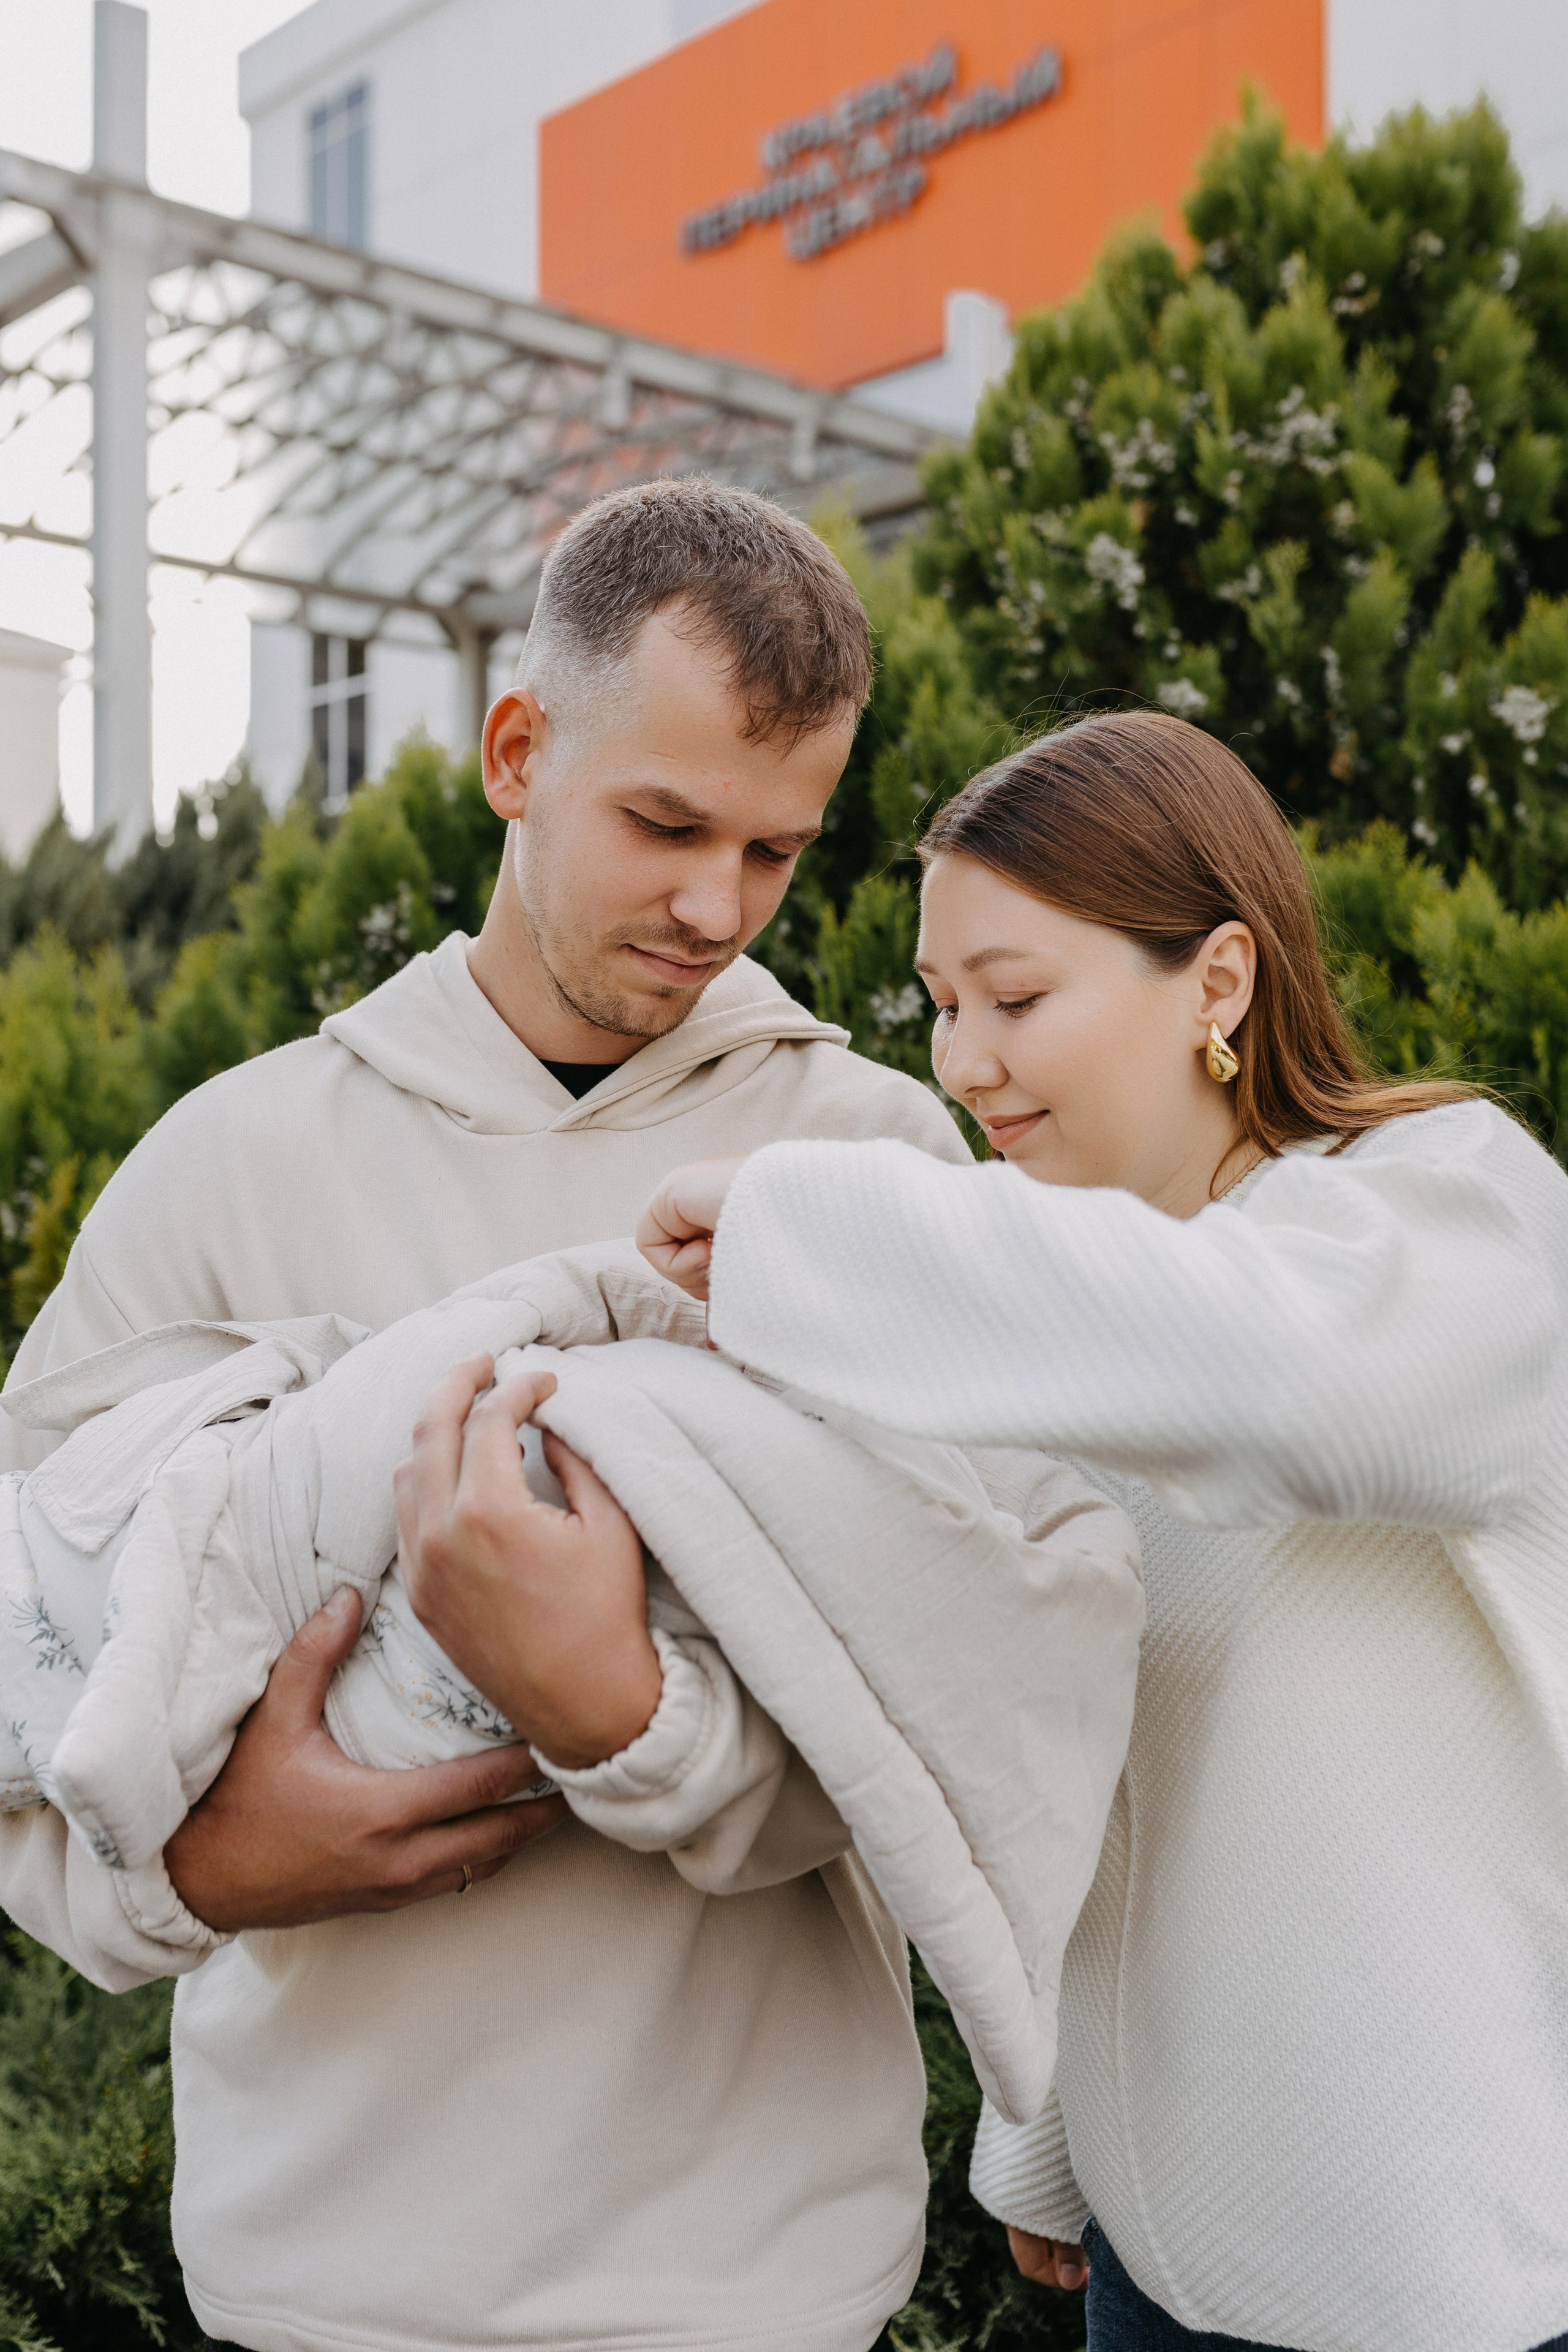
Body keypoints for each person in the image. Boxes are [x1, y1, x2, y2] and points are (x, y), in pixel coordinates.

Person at [0, 479, 976, 2352]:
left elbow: (964, 1708)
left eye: (777, 850)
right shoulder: (226, 1167)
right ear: (516, 752)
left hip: (762, 2288)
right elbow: (19, 1657)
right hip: (325, 2290)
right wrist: (200, 1872)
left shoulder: (872, 1165)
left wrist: (613, 1711)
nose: (717, 905)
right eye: (667, 822)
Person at [638, 708, 1568, 2352]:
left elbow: (1294, 1387)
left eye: (1014, 998)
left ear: (1217, 982)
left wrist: (805, 1225)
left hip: (1435, 2291)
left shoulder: (1459, 1213)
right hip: (1152, 2277)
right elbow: (1099, 1788)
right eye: (939, 1007)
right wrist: (1050, 2144)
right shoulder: (1066, 1332)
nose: (963, 1062)